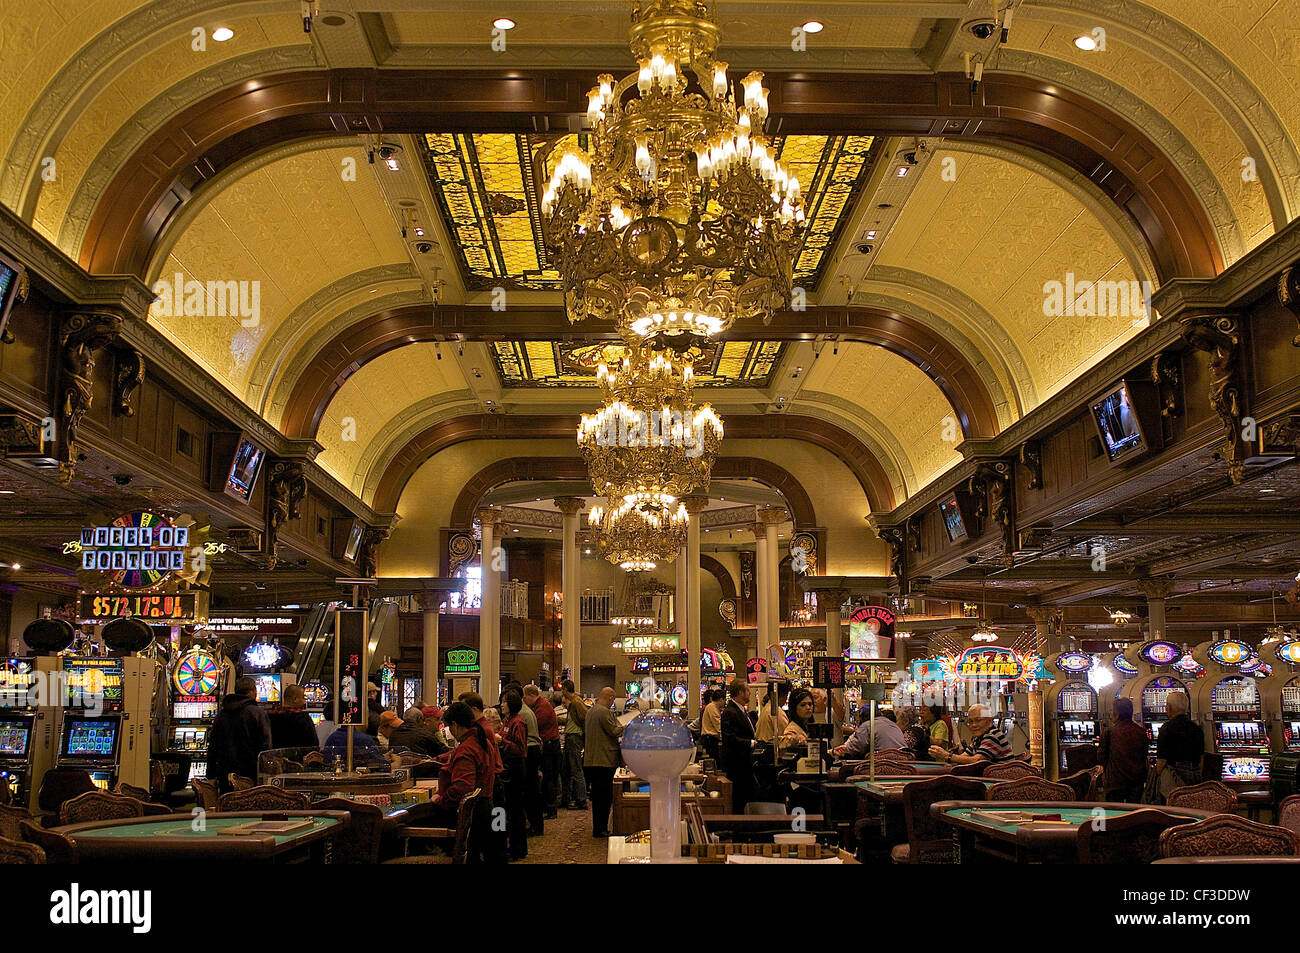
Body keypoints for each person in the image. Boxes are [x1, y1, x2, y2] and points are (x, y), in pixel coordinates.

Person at [428, 701, 497, 826]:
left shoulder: (467, 749)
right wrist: (435, 759)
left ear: (454, 725)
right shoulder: (480, 741)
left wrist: (441, 800)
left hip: (471, 816)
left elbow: (463, 788)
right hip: (485, 808)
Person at [207, 676, 273, 791]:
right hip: (251, 774)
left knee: (227, 805)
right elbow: (266, 746)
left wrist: (211, 775)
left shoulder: (221, 714)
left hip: (225, 774)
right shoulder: (257, 713)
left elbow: (213, 747)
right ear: (253, 691)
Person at [582, 687, 625, 838]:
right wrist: (625, 725)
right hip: (604, 760)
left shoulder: (591, 711)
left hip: (592, 760)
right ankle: (601, 829)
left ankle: (598, 827)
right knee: (604, 798)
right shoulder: (604, 712)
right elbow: (614, 731)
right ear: (611, 698)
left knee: (597, 797)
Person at [497, 691, 529, 860]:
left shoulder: (518, 722)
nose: (502, 705)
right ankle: (505, 846)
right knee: (503, 810)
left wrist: (502, 741)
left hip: (515, 770)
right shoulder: (507, 721)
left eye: (504, 702)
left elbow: (520, 749)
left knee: (515, 811)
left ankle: (518, 848)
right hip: (506, 769)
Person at [1154, 691, 1204, 799]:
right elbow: (1201, 758)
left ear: (1170, 708)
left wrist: (1154, 776)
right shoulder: (1196, 728)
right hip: (1194, 775)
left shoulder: (1166, 728)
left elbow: (1161, 761)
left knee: (1173, 807)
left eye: (1167, 705)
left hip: (1174, 777)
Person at [1098, 696, 1148, 802]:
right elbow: (1144, 756)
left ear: (1117, 713)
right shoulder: (1141, 732)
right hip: (1136, 783)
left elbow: (1101, 758)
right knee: (1133, 814)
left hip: (1115, 783)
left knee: (1115, 816)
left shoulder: (1109, 732)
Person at [929, 704, 1014, 765]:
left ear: (989, 721)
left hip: (1001, 783)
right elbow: (965, 756)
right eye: (970, 721)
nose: (973, 725)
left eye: (978, 720)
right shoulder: (978, 737)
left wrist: (946, 755)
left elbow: (976, 761)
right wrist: (948, 759)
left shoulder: (992, 736)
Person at [525, 685, 561, 820]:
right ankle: (548, 807)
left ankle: (551, 809)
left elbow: (534, 726)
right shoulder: (540, 706)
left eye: (525, 697)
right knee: (547, 778)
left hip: (549, 746)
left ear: (531, 695)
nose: (524, 700)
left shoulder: (542, 707)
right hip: (548, 745)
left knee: (548, 779)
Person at [720, 678, 756, 813]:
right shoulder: (730, 711)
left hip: (744, 763)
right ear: (740, 692)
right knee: (739, 800)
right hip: (737, 764)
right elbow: (730, 739)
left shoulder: (740, 710)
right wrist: (751, 743)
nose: (750, 693)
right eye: (747, 690)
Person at [833, 704, 906, 759]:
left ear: (862, 717)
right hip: (903, 764)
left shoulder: (867, 725)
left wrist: (839, 750)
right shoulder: (893, 724)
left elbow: (854, 748)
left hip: (882, 764)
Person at [560, 681, 588, 810]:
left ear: (565, 689)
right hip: (571, 736)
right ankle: (567, 798)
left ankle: (581, 800)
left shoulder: (576, 702)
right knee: (566, 770)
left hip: (574, 737)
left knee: (576, 769)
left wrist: (583, 735)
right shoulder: (573, 702)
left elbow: (585, 718)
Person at [267, 683, 319, 750]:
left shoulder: (270, 716)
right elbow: (313, 743)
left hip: (276, 757)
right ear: (295, 699)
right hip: (298, 758)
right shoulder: (302, 717)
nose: (304, 701)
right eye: (303, 697)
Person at [377, 709, 447, 757]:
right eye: (423, 720)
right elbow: (444, 752)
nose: (424, 723)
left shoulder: (393, 735)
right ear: (419, 720)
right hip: (423, 774)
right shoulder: (425, 735)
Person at [780, 688, 815, 752]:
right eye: (803, 705)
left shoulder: (811, 727)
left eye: (810, 704)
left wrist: (832, 752)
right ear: (794, 708)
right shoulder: (791, 730)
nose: (808, 708)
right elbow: (784, 743)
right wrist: (796, 740)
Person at [700, 689, 724, 762]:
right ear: (721, 699)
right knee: (714, 762)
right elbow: (718, 725)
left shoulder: (713, 707)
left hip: (711, 739)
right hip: (710, 739)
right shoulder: (712, 707)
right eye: (724, 699)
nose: (724, 702)